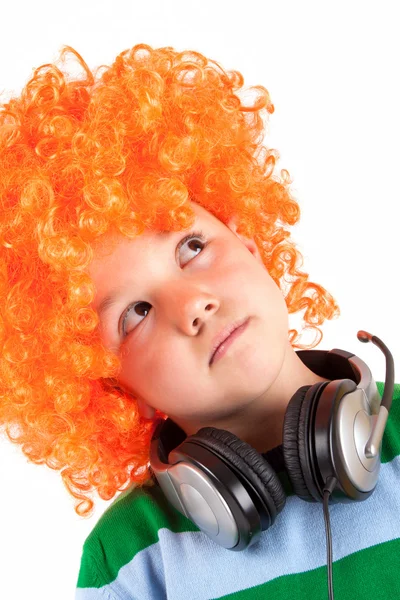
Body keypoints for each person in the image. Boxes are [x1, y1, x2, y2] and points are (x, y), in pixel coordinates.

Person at [0, 44, 398, 600]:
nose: (192, 305)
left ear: (253, 248)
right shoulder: (133, 558)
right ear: (113, 388)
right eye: (135, 313)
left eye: (191, 247)